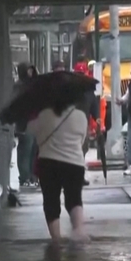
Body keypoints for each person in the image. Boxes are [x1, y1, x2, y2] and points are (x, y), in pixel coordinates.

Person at [27, 94, 90, 243]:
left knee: (51, 200)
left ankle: (56, 239)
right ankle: (79, 230)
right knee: (74, 198)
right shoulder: (81, 116)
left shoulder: (44, 115)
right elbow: (82, 139)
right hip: (74, 163)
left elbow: (30, 131)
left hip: (48, 163)